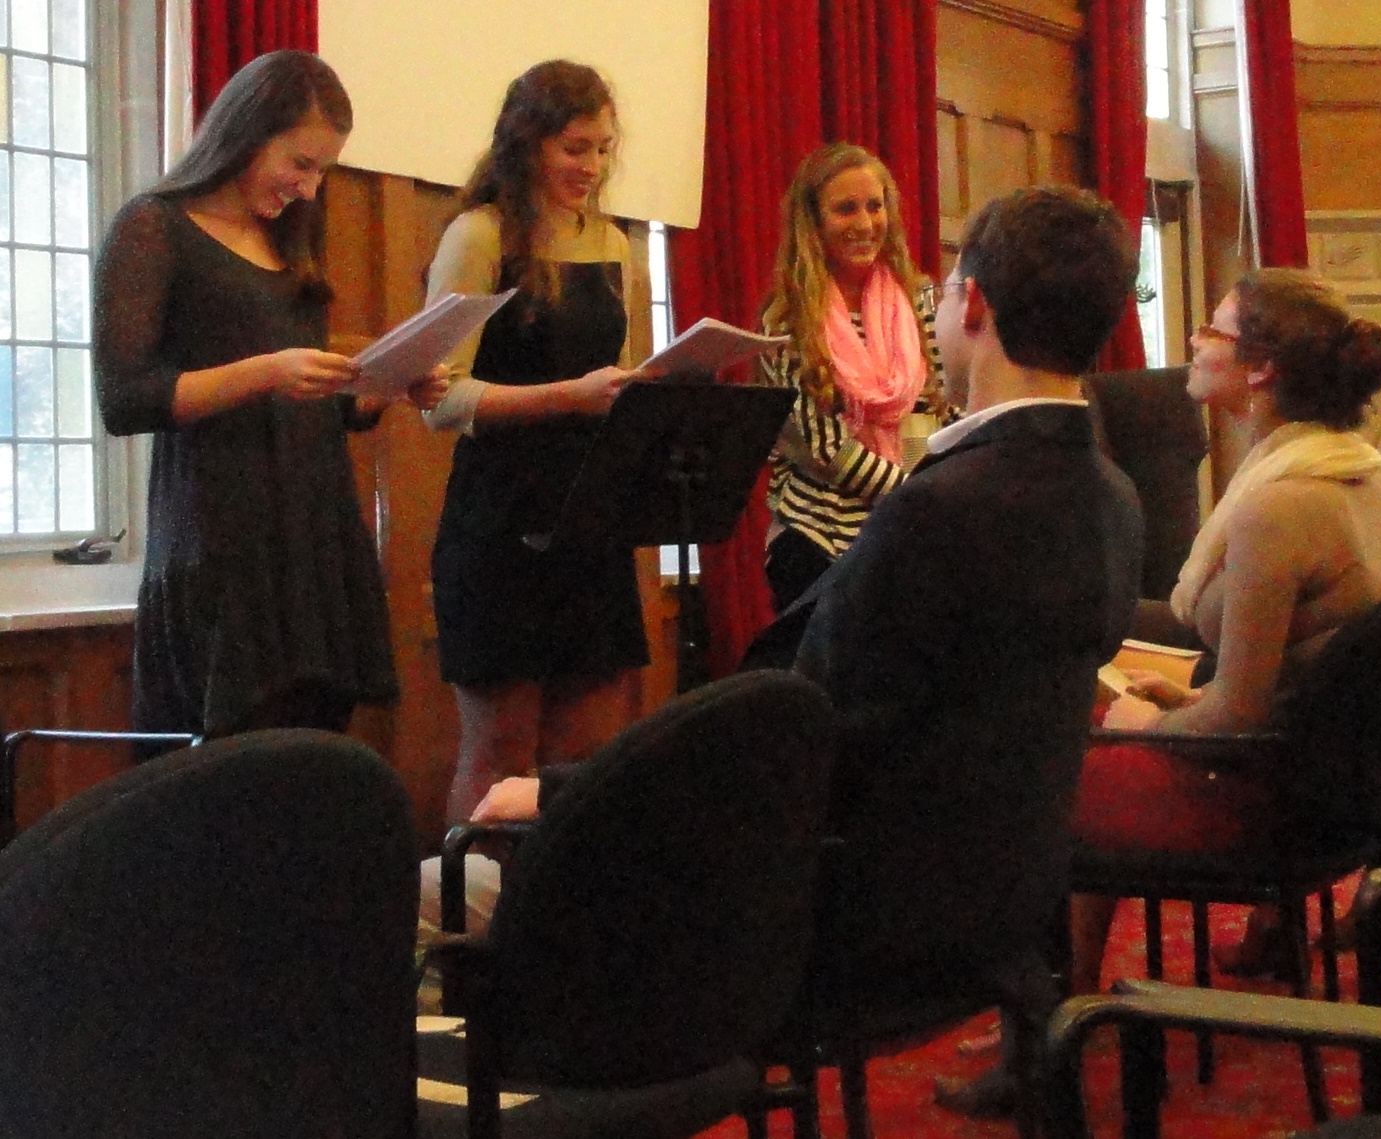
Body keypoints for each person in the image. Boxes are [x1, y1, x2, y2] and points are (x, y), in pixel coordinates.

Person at [472, 186, 1143, 1120]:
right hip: (990, 907)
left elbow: (791, 756)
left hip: (838, 924)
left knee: (450, 889)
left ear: (972, 304)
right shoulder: (1112, 496)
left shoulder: (936, 514)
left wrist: (564, 791)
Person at [1069, 269, 1381, 988]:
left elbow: (1242, 714)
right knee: (1100, 711)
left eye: (1213, 329)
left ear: (1261, 369)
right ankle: (1066, 998)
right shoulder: (1352, 475)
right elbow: (1282, 681)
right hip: (1323, 787)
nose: (1194, 341)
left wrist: (1137, 725)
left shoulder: (1278, 504)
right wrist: (1180, 700)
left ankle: (1048, 1025)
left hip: (1267, 800)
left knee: (1052, 774)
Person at [94, 50, 446, 739]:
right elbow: (125, 397)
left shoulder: (289, 239)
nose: (310, 189)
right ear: (246, 134)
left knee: (314, 769)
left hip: (315, 540)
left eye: (322, 170)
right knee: (229, 780)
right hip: (221, 542)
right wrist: (267, 370)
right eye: (300, 164)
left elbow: (310, 402)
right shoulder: (153, 226)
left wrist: (380, 387)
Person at [423, 61, 654, 826]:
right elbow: (442, 398)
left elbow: (628, 376)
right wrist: (568, 396)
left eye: (601, 149)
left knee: (584, 758)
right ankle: (476, 928)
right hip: (499, 521)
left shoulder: (617, 245)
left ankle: (559, 929)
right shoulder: (478, 233)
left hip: (591, 516)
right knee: (498, 751)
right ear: (528, 145)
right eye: (574, 149)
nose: (591, 168)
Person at [758, 142, 946, 612]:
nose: (865, 224)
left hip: (906, 532)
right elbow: (824, 452)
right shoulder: (787, 321)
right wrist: (921, 497)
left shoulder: (917, 299)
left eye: (874, 206)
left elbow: (938, 408)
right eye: (845, 210)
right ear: (813, 223)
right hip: (818, 541)